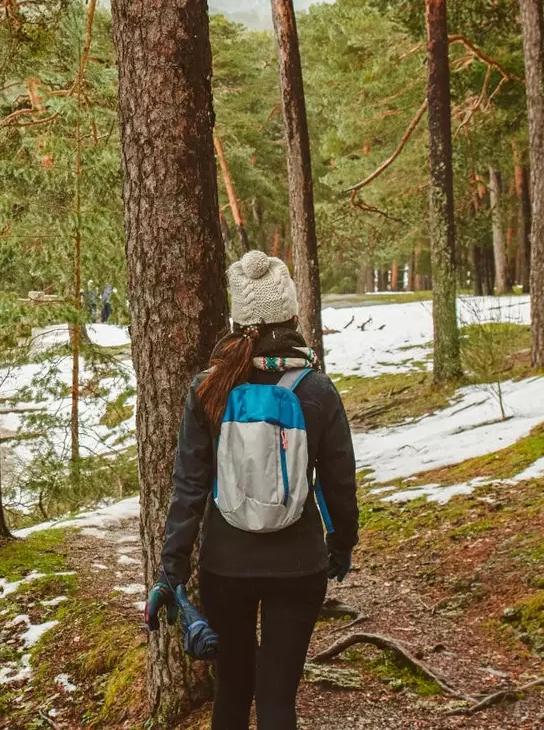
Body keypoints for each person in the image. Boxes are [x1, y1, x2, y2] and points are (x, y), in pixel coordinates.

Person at [144, 250, 359, 730]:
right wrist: (342, 543)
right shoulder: (316, 389)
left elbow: (189, 486)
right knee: (278, 698)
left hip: (226, 567)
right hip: (300, 566)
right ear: (291, 313)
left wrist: (170, 570)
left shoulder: (209, 388)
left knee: (233, 693)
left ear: (239, 319)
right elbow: (339, 480)